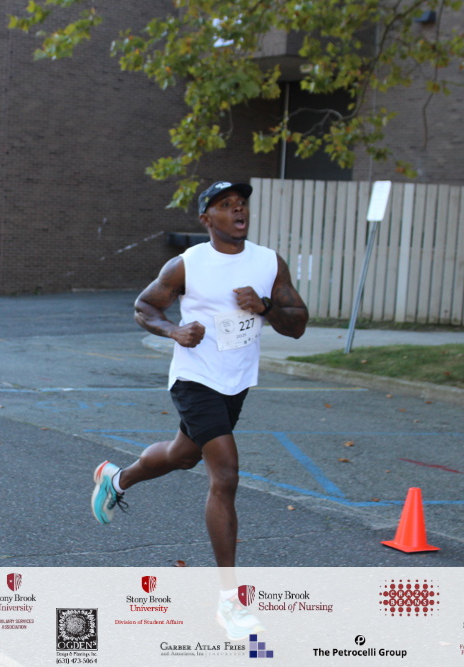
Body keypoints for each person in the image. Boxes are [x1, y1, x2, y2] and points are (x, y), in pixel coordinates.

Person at [91, 181, 308, 639]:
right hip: (194, 380)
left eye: (241, 204)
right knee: (224, 475)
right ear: (207, 220)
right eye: (226, 206)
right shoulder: (187, 264)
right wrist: (173, 331)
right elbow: (144, 306)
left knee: (183, 454)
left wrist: (266, 306)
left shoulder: (269, 262)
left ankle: (117, 479)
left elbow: (298, 325)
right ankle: (230, 603)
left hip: (236, 383)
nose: (238, 210)